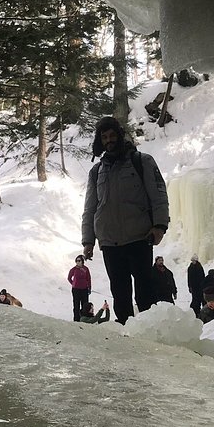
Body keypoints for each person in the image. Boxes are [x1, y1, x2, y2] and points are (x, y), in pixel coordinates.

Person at [81, 116, 170, 324]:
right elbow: (90, 208)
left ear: (120, 136)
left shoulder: (142, 161)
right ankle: (126, 335)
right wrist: (88, 240)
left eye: (112, 136)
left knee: (145, 292)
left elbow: (158, 194)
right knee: (120, 295)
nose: (109, 140)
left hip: (139, 237)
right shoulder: (96, 172)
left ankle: (149, 332)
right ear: (100, 141)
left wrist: (159, 226)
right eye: (104, 137)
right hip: (110, 242)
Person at [67, 255, 92, 321]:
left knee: (85, 304)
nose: (77, 262)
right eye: (76, 261)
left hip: (84, 289)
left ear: (82, 261)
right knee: (76, 304)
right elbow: (69, 278)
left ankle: (85, 318)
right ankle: (76, 319)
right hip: (76, 290)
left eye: (79, 261)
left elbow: (88, 278)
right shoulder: (74, 269)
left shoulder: (86, 269)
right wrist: (73, 283)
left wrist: (89, 287)